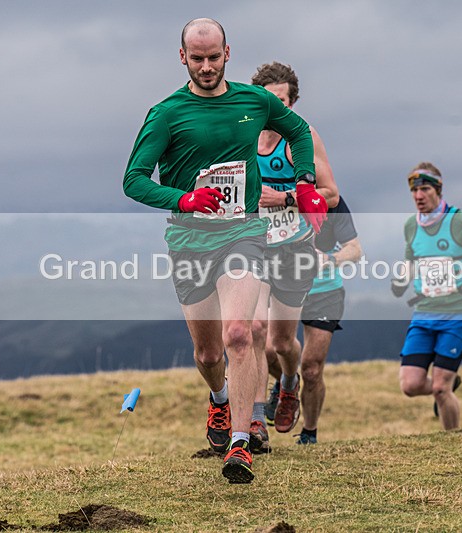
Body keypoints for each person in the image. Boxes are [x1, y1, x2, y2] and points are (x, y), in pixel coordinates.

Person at [122, 19, 327, 483]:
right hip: (190, 238)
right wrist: (183, 199)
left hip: (243, 232)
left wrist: (305, 183)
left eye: (214, 57)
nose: (207, 66)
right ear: (183, 58)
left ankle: (240, 444)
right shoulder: (166, 113)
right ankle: (217, 400)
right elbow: (133, 180)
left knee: (240, 333)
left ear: (227, 53)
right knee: (209, 354)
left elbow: (298, 131)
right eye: (198, 59)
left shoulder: (255, 101)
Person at [247, 62, 339, 452]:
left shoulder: (302, 137)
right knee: (252, 333)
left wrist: (285, 197)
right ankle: (251, 424)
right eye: (269, 99)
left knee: (282, 345)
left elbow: (331, 195)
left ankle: (288, 385)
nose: (275, 106)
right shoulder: (244, 135)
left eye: (282, 100)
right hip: (254, 247)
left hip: (296, 249)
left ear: (292, 102)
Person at [391, 162, 462, 430]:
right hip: (424, 315)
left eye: (425, 189)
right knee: (411, 385)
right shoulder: (410, 225)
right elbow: (410, 259)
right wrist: (401, 278)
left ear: (438, 190)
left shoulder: (461, 222)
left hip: (458, 315)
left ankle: (453, 442)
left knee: (441, 389)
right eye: (414, 191)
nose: (418, 196)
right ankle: (449, 385)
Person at [264, 196, 362, 445]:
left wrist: (329, 260)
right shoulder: (275, 194)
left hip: (324, 290)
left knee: (312, 367)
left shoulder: (331, 201)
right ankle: (287, 380)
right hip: (282, 285)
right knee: (271, 349)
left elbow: (355, 249)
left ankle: (309, 433)